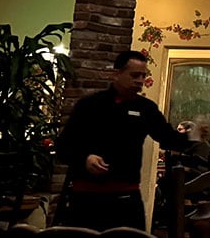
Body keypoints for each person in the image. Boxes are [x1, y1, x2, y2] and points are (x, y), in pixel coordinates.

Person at [56, 50, 193, 231]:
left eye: (143, 76)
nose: (140, 80)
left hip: (127, 197)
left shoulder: (146, 108)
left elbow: (169, 139)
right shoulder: (89, 105)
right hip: (86, 198)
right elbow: (63, 148)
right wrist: (85, 159)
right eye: (135, 75)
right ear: (116, 74)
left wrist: (194, 135)